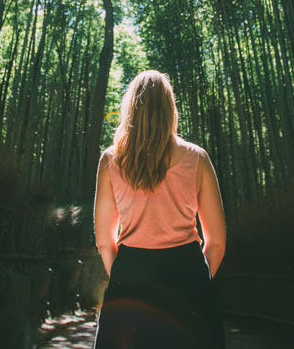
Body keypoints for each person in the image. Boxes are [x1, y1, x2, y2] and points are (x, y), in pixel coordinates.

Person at [93, 70, 226, 349]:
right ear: (170, 109)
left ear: (131, 108)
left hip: (131, 274)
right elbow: (217, 241)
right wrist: (196, 284)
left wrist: (124, 277)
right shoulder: (197, 158)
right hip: (188, 275)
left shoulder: (111, 160)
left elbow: (105, 241)